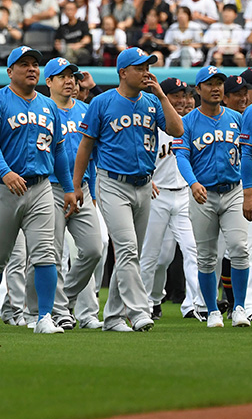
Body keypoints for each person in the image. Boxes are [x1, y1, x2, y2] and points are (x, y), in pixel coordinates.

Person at [74, 47, 184, 331]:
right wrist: (76, 185)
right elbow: (86, 145)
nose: (147, 72)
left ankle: (112, 317)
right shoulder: (102, 102)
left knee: (129, 254)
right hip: (112, 182)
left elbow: (177, 130)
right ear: (123, 72)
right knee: (127, 249)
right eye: (140, 67)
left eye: (149, 66)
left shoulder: (151, 101)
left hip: (145, 184)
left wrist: (161, 96)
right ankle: (138, 311)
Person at [0, 46, 77, 334]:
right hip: (3, 188)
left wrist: (68, 188)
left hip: (41, 186)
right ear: (10, 71)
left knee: (45, 254)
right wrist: (6, 172)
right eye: (24, 64)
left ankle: (44, 317)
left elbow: (58, 151)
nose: (32, 69)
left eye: (35, 64)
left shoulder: (48, 106)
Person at [177, 67, 251, 329]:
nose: (216, 88)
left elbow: (249, 154)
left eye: (219, 83)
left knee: (240, 249)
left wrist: (248, 188)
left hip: (232, 190)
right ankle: (212, 311)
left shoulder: (236, 118)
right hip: (203, 193)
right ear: (198, 90)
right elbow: (182, 156)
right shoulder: (188, 122)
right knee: (207, 257)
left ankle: (239, 307)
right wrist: (193, 182)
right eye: (209, 84)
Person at [43, 58, 105, 329]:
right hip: (50, 187)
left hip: (82, 189)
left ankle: (67, 300)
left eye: (73, 76)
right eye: (63, 76)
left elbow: (94, 152)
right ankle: (59, 313)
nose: (70, 81)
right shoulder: (42, 110)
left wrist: (88, 186)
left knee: (94, 248)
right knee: (53, 253)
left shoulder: (86, 110)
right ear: (49, 82)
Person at [139, 78, 203, 322]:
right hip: (157, 195)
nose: (183, 100)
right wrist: (146, 176)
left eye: (186, 95)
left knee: (192, 250)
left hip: (184, 195)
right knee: (157, 256)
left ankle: (195, 303)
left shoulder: (192, 124)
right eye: (176, 95)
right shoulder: (153, 123)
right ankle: (148, 302)